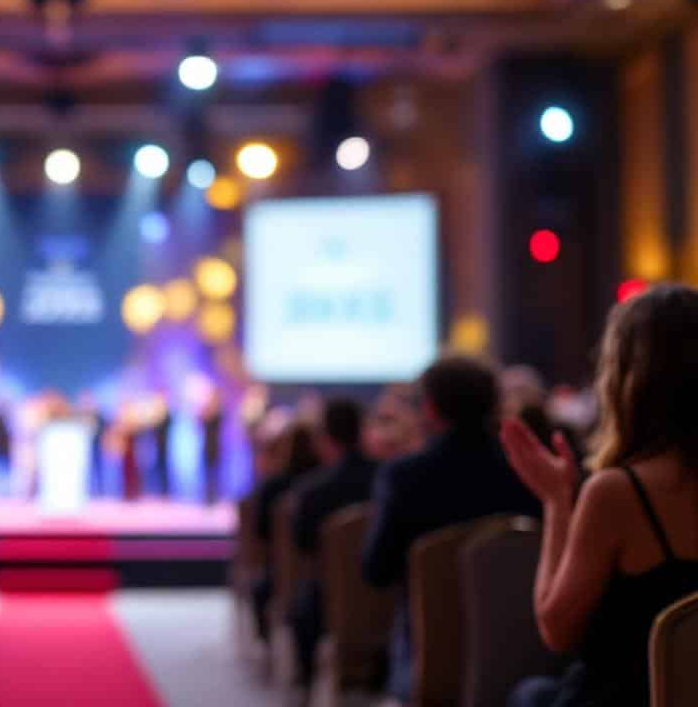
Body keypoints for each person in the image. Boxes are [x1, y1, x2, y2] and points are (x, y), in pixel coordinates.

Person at [505, 284, 698, 707]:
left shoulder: (618, 493)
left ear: (628, 378)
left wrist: (557, 501)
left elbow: (556, 630)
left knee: (527, 695)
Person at [362, 355, 538, 702]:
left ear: (430, 408)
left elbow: (376, 570)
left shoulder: (404, 477)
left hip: (428, 659)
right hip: (521, 657)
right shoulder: (525, 474)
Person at [289, 398, 377, 686]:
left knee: (303, 603)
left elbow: (302, 548)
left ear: (324, 438)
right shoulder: (387, 479)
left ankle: (306, 684)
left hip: (328, 603)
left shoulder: (312, 492)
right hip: (393, 600)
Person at [250, 421, 320, 643]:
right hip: (324, 579)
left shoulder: (273, 488)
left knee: (260, 588)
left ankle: (267, 646)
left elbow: (260, 535)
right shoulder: (320, 485)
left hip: (290, 576)